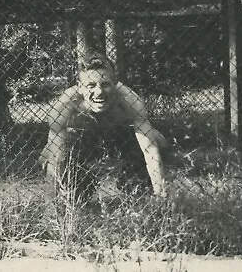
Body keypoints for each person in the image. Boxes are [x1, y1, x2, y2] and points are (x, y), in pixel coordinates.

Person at [39, 51, 167, 198]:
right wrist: (50, 205)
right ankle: (80, 185)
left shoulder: (129, 100)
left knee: (159, 141)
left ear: (115, 83)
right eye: (91, 85)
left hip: (118, 136)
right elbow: (55, 156)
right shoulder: (66, 105)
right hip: (79, 140)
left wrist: (161, 195)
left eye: (105, 84)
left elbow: (150, 149)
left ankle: (133, 183)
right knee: (45, 158)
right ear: (80, 87)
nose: (99, 92)